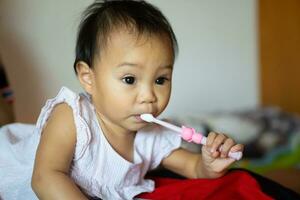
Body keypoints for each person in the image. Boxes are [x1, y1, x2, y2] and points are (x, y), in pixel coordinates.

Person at [0, 1, 276, 199]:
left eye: (160, 80)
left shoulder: (152, 134)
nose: (149, 96)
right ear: (88, 78)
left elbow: (193, 169)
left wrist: (209, 164)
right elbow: (46, 178)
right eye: (130, 79)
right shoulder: (73, 116)